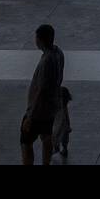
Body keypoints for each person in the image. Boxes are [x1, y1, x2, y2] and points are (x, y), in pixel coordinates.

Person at [21, 24, 65, 166]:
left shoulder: (46, 61)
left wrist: (30, 115)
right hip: (50, 108)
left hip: (39, 111)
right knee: (46, 137)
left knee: (26, 142)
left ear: (40, 40)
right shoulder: (58, 53)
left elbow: (41, 90)